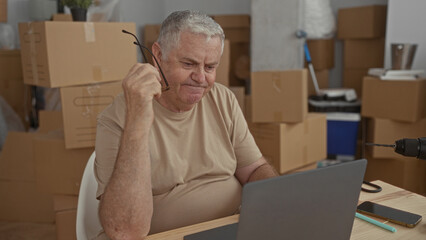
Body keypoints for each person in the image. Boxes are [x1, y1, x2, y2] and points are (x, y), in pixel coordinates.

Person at [94, 10, 278, 239]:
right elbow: (125, 231)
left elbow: (254, 170)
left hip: (230, 228)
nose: (201, 78)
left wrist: (277, 202)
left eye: (210, 67)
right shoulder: (117, 119)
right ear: (158, 56)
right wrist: (138, 120)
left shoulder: (223, 99)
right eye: (189, 64)